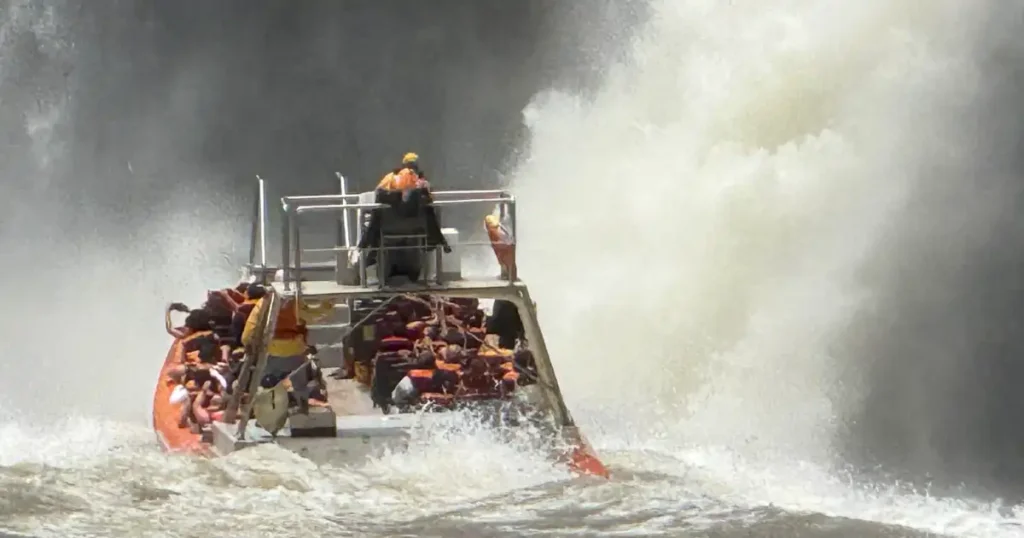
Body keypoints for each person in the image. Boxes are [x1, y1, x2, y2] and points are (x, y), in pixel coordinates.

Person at [357, 152, 452, 263]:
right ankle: (437, 240)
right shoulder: (421, 183)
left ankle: (369, 248)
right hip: (415, 228)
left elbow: (377, 193)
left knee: (377, 215)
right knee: (428, 210)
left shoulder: (390, 178)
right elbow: (430, 199)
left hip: (388, 227)